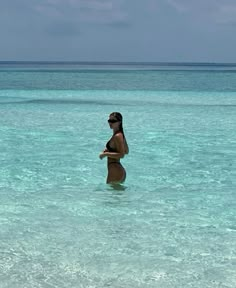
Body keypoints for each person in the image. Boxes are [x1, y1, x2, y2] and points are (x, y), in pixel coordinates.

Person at [99, 112, 129, 184]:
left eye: (113, 121)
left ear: (119, 122)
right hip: (117, 170)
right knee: (115, 195)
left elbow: (122, 155)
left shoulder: (118, 136)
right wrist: (109, 150)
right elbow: (126, 151)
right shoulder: (120, 134)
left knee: (110, 194)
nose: (110, 123)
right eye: (109, 121)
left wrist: (105, 154)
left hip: (115, 170)